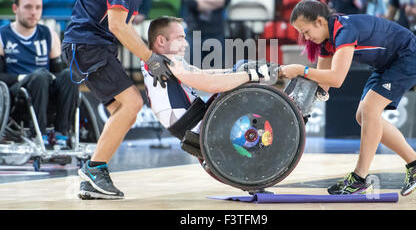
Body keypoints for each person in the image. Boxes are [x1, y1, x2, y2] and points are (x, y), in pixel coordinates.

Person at [77, 16, 276, 199]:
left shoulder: (161, 62)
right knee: (240, 83)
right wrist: (251, 75)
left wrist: (235, 70)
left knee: (239, 69)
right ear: (161, 41)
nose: (186, 43)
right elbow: (210, 84)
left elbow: (203, 73)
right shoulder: (166, 61)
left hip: (186, 121)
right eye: (180, 38)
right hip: (192, 121)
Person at [62, 0, 174, 200]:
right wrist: (150, 59)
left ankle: (92, 179)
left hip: (95, 47)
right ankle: (93, 169)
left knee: (123, 111)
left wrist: (151, 57)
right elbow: (117, 26)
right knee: (132, 103)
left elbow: (123, 25)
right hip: (88, 46)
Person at [279, 0, 416, 196]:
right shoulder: (327, 40)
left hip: (410, 57)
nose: (305, 38)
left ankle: (359, 178)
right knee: (364, 116)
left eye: (306, 31)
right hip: (387, 65)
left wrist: (301, 69)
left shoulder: (344, 30)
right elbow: (322, 86)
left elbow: (336, 79)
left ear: (319, 21)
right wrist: (299, 112)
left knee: (370, 110)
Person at [0, 0, 78, 148]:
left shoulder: (49, 34)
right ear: (15, 8)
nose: (34, 12)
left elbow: (58, 73)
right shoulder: (3, 35)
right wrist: (23, 78)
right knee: (41, 75)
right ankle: (38, 134)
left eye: (38, 7)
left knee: (69, 75)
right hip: (17, 93)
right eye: (28, 7)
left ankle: (62, 134)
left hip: (44, 88)